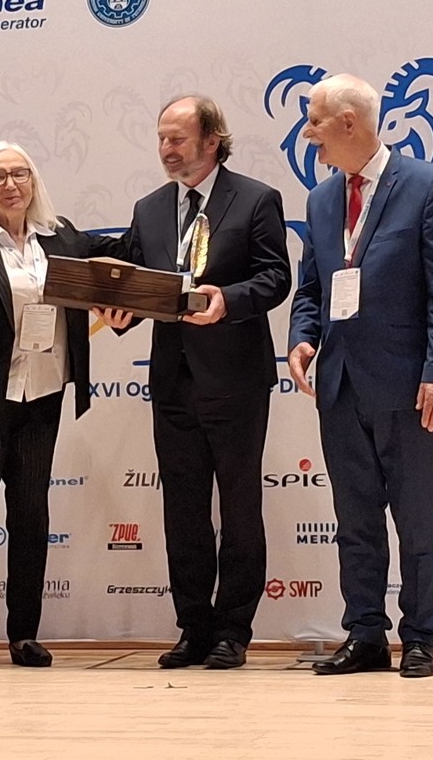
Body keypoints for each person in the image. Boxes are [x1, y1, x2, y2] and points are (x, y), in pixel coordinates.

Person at [286, 74, 433, 678]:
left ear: (348, 122)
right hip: (340, 385)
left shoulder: (428, 185)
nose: (307, 133)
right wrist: (302, 337)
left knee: (418, 517)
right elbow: (311, 288)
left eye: (314, 121)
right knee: (355, 520)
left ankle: (422, 636)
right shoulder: (320, 200)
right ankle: (365, 633)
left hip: (411, 386)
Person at [97, 96, 291, 670]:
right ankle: (193, 627)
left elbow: (276, 277)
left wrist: (227, 300)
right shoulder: (150, 208)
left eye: (177, 138)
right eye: (161, 138)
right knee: (182, 510)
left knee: (239, 507)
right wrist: (119, 312)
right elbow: (139, 283)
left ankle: (234, 629)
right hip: (173, 382)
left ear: (212, 140)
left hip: (236, 380)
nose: (166, 149)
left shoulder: (255, 199)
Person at [0, 142, 125, 671]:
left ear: (34, 181)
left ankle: (24, 634)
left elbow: (125, 248)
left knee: (32, 517)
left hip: (41, 399)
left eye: (20, 174)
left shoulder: (62, 238)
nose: (11, 185)